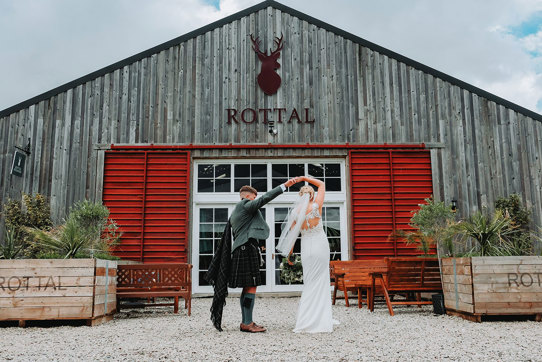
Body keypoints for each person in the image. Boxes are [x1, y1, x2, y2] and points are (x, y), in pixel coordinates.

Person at [219, 177, 297, 333]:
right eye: (254, 198)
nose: (255, 201)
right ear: (248, 197)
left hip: (244, 249)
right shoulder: (245, 205)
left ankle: (246, 321)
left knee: (248, 286)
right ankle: (247, 322)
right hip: (245, 250)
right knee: (252, 285)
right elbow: (264, 199)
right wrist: (284, 186)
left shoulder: (238, 210)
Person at [276, 175, 338, 333]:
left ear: (300, 196)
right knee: (321, 280)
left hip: (306, 248)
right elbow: (322, 184)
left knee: (309, 282)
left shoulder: (295, 213)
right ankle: (321, 319)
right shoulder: (317, 206)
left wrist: (289, 254)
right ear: (312, 194)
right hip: (320, 246)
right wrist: (305, 177)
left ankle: (305, 320)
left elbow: (292, 235)